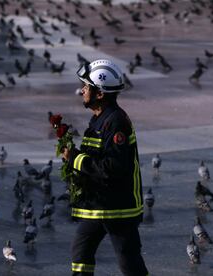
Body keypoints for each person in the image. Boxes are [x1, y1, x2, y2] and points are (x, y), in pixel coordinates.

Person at [62, 59, 148, 276]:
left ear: (100, 93)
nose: (82, 91)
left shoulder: (115, 122)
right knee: (81, 252)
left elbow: (113, 167)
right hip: (101, 203)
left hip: (117, 207)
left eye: (86, 87)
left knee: (129, 261)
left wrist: (75, 159)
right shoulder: (101, 119)